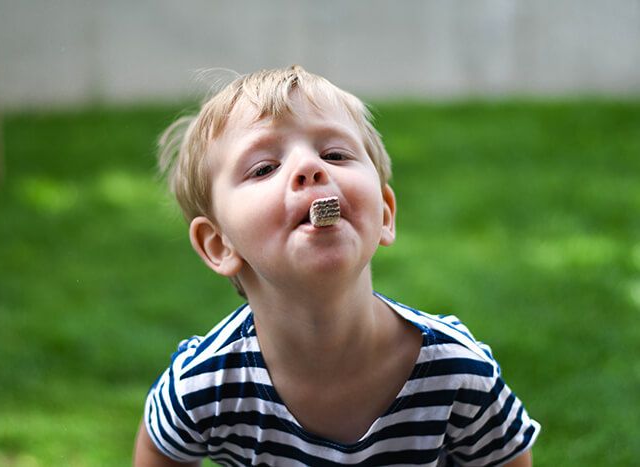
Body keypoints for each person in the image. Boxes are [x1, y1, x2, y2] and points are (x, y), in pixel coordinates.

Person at [133, 65, 540, 466]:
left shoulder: (457, 370)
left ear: (384, 213)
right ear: (219, 244)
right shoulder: (204, 384)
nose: (312, 168)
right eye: (265, 168)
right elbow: (159, 447)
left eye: (334, 154)